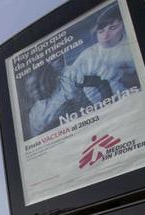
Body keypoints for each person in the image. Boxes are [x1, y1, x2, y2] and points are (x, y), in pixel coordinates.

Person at [30, 4, 139, 133]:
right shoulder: (87, 57)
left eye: (113, 27)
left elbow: (107, 86)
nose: (106, 36)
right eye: (101, 31)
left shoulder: (133, 43)